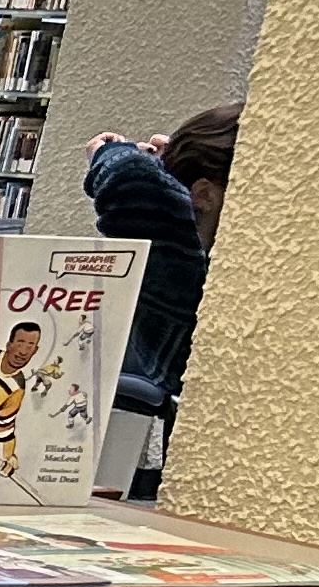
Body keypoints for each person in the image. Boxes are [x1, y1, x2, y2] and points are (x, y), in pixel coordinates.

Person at [85, 102, 236, 398]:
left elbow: (129, 176)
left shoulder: (177, 274)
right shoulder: (186, 261)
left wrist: (109, 152)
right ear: (204, 193)